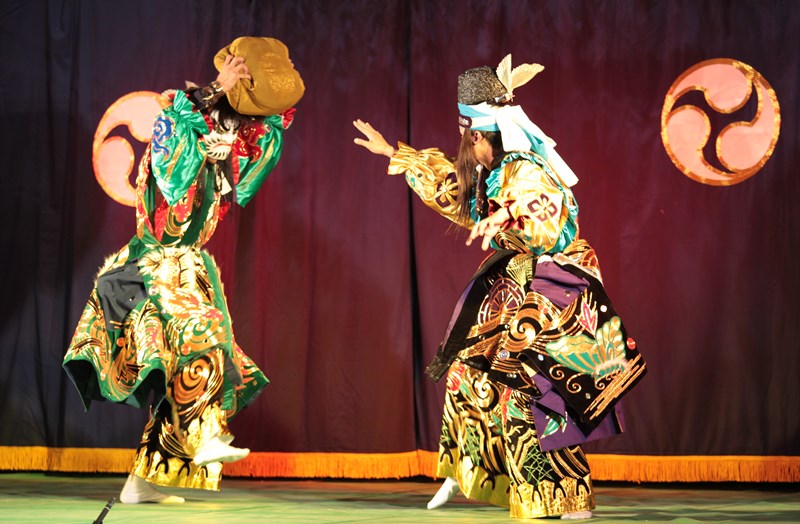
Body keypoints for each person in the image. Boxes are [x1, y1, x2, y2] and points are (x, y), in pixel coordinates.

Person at [353, 55, 645, 519]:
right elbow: (454, 190)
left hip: (556, 284)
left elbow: (548, 217)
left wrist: (509, 215)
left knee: (532, 390)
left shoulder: (524, 168)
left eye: (466, 135)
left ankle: (561, 495)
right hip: (518, 281)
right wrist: (396, 154)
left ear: (476, 133)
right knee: (470, 369)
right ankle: (470, 468)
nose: (464, 144)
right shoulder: (494, 169)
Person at [63, 36, 304, 504]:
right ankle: (203, 436)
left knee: (196, 363)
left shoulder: (226, 140)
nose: (247, 130)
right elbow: (174, 181)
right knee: (204, 336)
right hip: (152, 263)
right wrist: (217, 93)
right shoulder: (176, 120)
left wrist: (227, 154)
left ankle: (144, 481)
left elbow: (252, 167)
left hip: (187, 266)